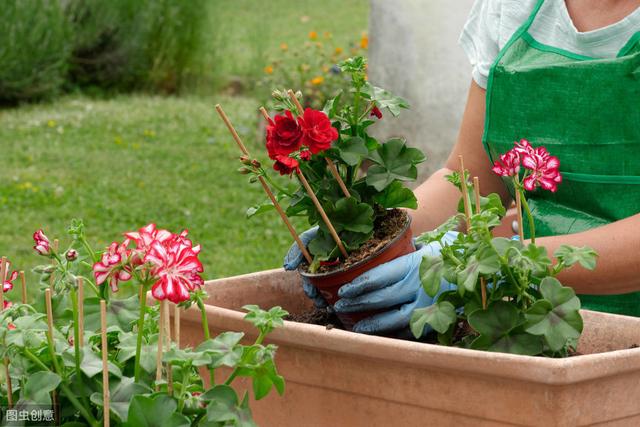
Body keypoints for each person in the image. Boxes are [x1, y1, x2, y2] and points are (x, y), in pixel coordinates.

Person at [286, 0, 640, 334]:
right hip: (533, 315)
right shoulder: (514, 8)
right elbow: (474, 179)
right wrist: (378, 234)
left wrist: (499, 264)